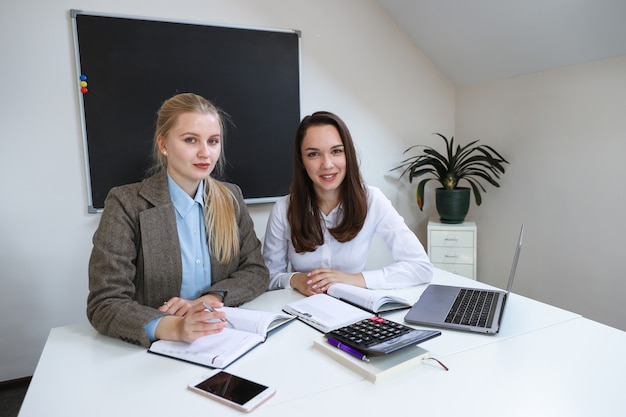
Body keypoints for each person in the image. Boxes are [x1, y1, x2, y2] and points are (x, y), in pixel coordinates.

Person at [87, 93, 269, 347]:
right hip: (153, 349)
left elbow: (256, 271)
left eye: (213, 141)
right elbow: (104, 303)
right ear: (163, 144)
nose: (205, 152)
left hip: (221, 337)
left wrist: (210, 298)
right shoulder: (126, 203)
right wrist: (175, 327)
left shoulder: (231, 197)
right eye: (191, 140)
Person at [263, 111, 433, 296]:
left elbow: (420, 267)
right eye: (313, 154)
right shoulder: (283, 209)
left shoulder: (373, 200)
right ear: (302, 161)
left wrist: (355, 279)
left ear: (348, 155)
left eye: (336, 151)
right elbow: (267, 277)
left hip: (355, 309)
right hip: (301, 308)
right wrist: (295, 280)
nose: (327, 164)